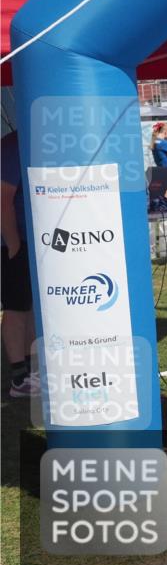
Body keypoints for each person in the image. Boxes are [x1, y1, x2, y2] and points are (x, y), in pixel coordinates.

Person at [1, 132, 38, 397]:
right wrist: (13, 244)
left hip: (30, 240)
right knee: (16, 307)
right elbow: (2, 200)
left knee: (29, 306)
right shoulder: (13, 146)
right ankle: (19, 378)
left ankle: (29, 372)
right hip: (11, 243)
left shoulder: (30, 141)